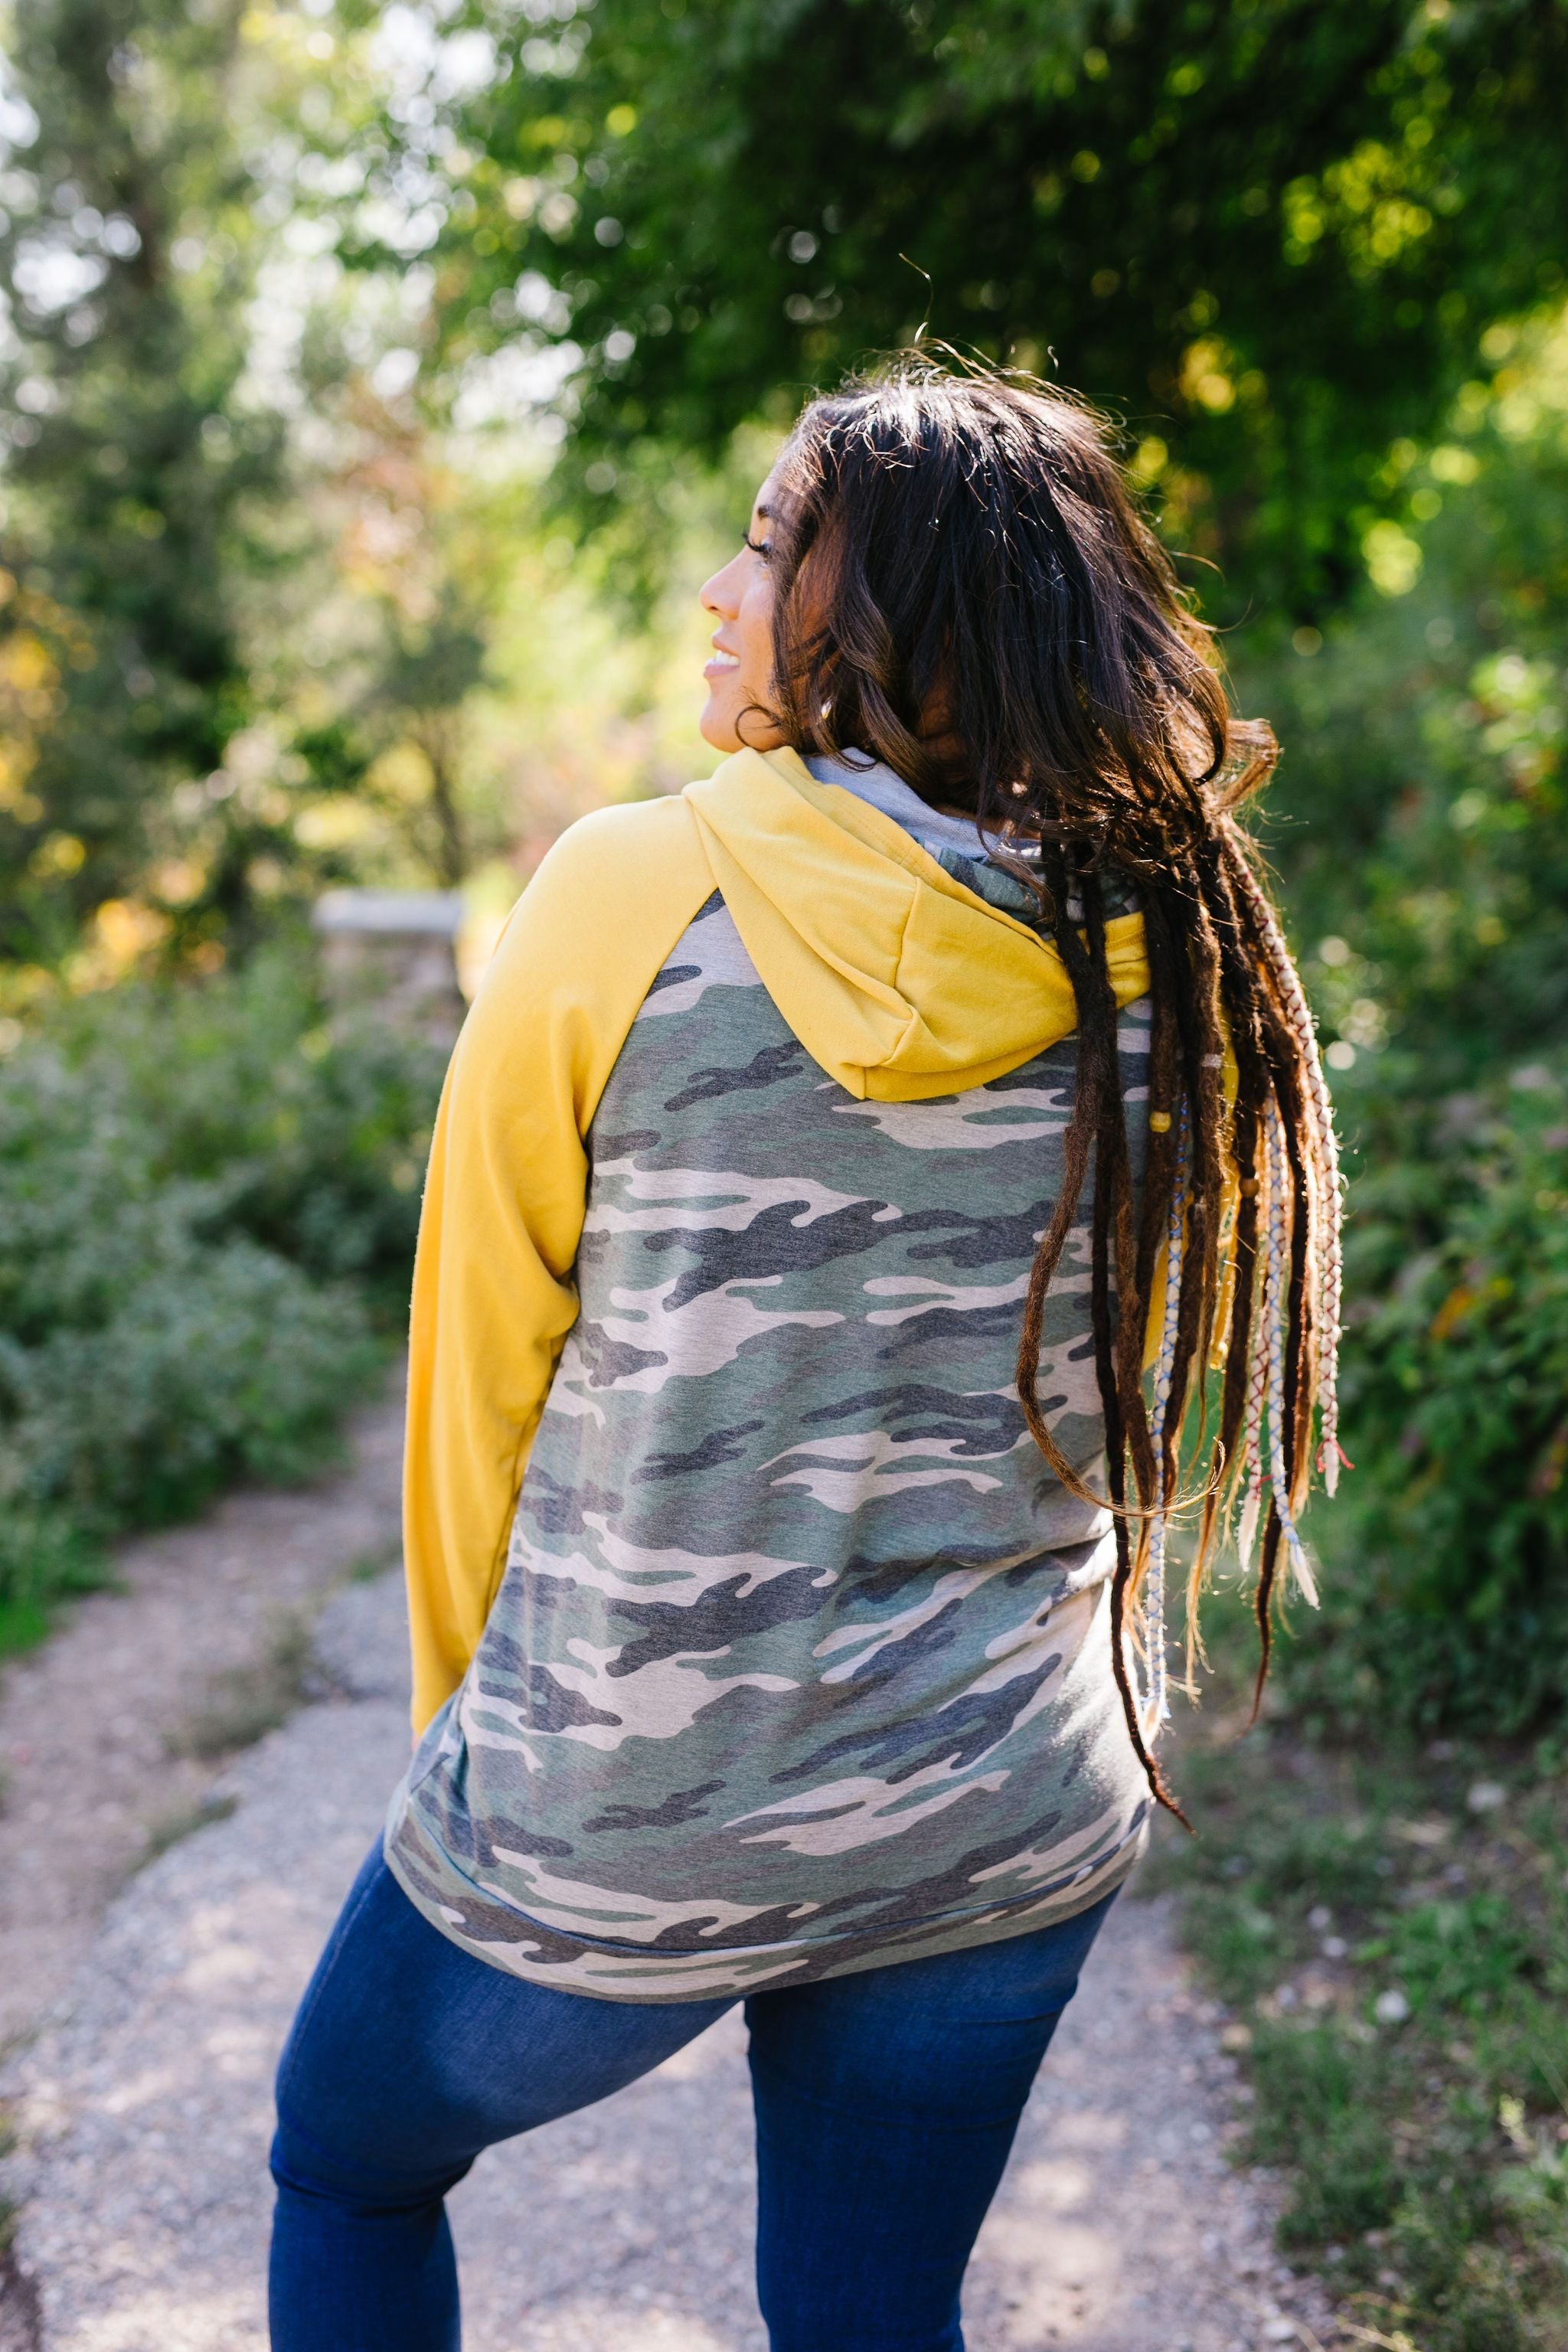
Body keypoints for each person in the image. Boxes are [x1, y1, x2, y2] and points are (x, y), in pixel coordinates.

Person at [266, 357, 1342, 2352]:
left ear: (886, 630)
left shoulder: (622, 890)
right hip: (1000, 1814)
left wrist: (472, 1770)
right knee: (867, 2314)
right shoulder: (1161, 937)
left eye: (771, 545)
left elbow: (473, 1378)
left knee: (343, 2159)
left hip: (624, 1819)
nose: (718, 590)